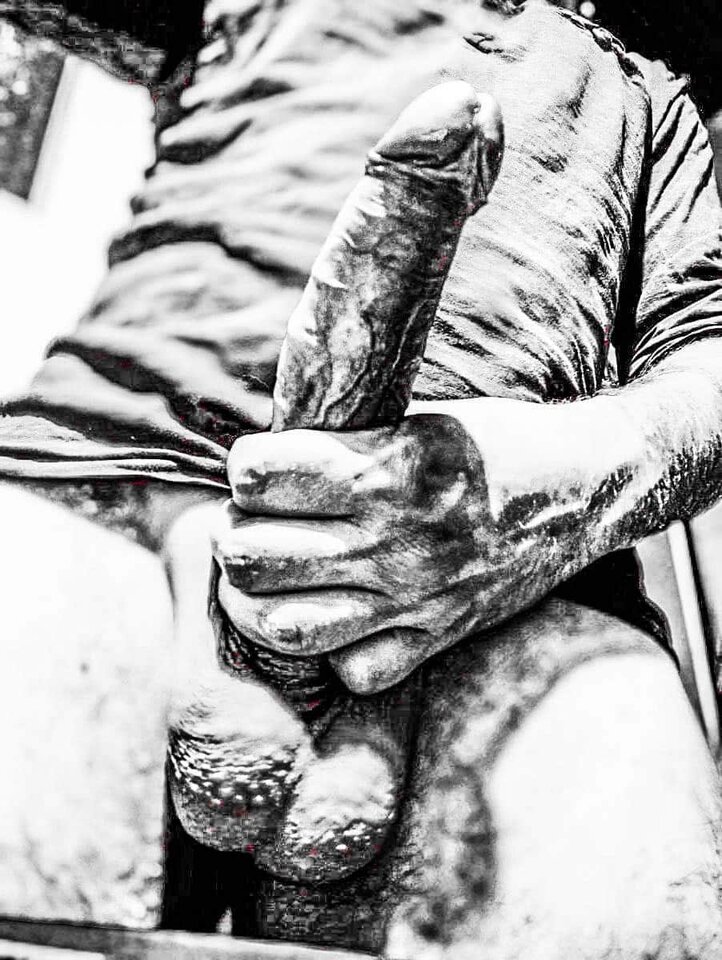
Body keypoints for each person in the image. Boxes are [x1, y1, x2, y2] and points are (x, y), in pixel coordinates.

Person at [2, 0, 722, 956]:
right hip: (115, 482)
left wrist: (575, 478)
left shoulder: (653, 92)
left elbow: (708, 357)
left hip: (509, 590)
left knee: (645, 911)